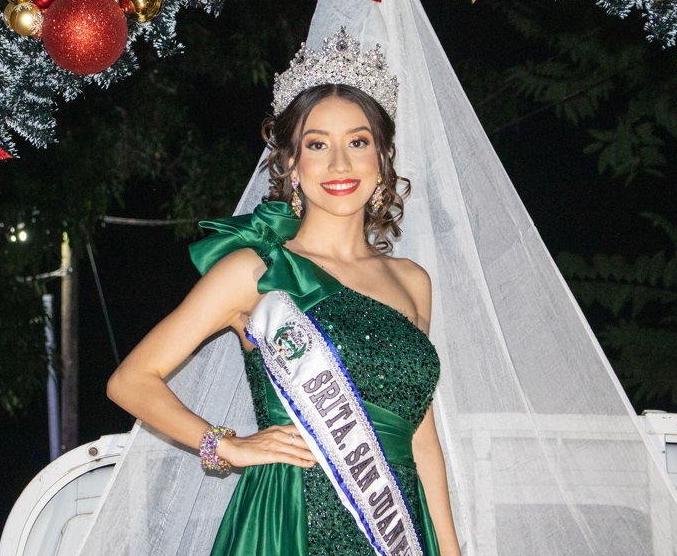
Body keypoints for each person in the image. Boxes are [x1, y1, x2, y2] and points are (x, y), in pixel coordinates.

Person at [107, 31, 461, 556]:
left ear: (382, 159)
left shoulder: (412, 281)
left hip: (397, 528)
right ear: (292, 165)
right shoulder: (255, 270)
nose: (339, 164)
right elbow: (131, 380)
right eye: (317, 145)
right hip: (287, 521)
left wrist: (451, 550)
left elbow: (421, 438)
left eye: (358, 142)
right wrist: (226, 445)